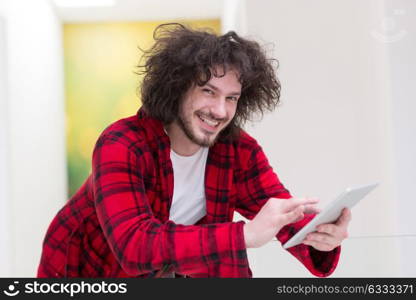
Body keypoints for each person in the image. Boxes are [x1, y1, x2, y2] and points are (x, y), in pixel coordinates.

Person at [37, 23, 351, 278]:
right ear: (176, 88)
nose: (219, 110)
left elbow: (280, 214)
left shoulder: (238, 150)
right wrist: (243, 235)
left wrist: (321, 236)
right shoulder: (122, 143)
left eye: (231, 98)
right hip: (85, 272)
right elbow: (134, 245)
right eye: (208, 91)